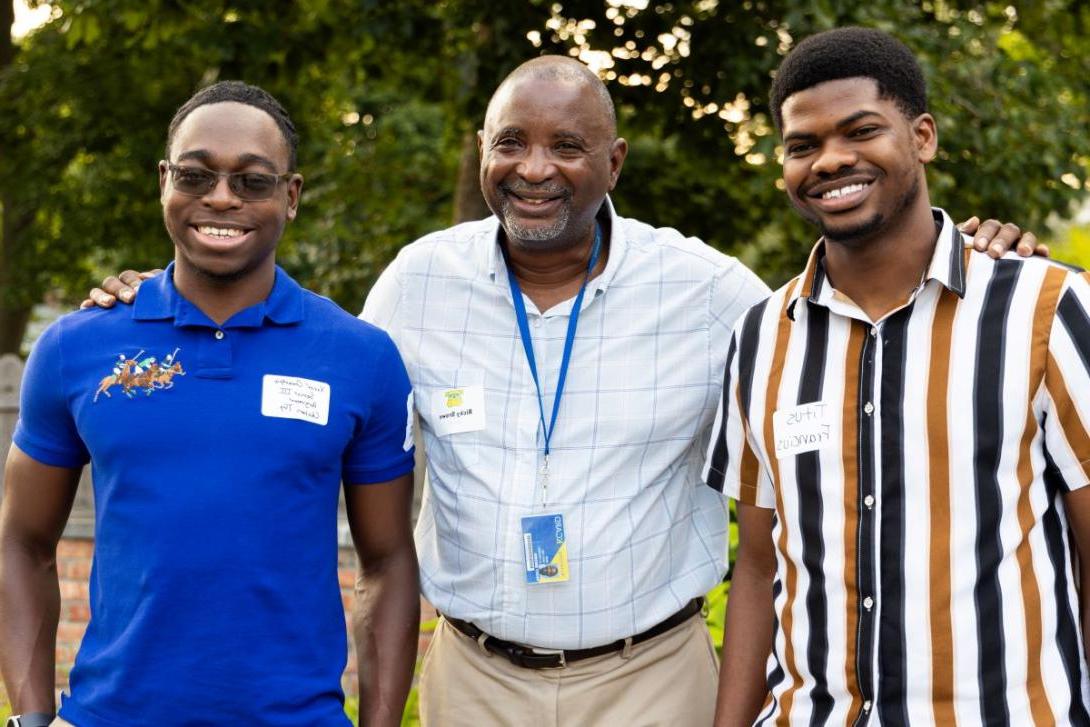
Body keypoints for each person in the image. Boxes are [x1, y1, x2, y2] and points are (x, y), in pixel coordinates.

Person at [86, 58, 1035, 727]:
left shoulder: (713, 293)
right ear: (485, 151)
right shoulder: (416, 284)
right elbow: (291, 356)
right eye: (512, 143)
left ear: (613, 165)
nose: (535, 170)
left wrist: (974, 255)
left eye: (568, 146)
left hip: (655, 677)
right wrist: (145, 301)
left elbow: (851, 320)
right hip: (472, 678)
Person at [0, 81, 419, 727]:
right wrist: (30, 718)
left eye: (253, 181)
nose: (221, 197)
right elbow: (22, 543)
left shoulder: (359, 357)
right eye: (196, 175)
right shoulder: (75, 349)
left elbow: (387, 562)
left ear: (292, 194)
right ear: (164, 180)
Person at [707, 27, 1090, 726]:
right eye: (802, 145)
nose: (831, 161)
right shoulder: (761, 335)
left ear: (922, 136)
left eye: (861, 131)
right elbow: (759, 568)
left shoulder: (1046, 307)